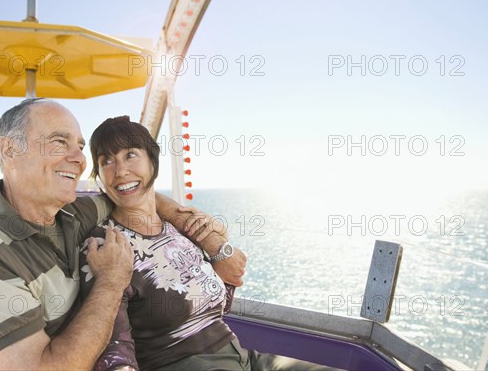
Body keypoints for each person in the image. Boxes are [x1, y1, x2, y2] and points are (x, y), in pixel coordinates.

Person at [0, 98, 245, 370]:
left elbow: (135, 191)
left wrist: (211, 240)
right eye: (59, 142)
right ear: (9, 150)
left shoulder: (71, 215)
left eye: (80, 147)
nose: (79, 159)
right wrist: (111, 281)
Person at [81, 116, 338, 371]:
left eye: (131, 155)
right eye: (107, 161)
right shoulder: (106, 247)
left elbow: (218, 303)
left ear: (153, 161)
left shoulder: (178, 229)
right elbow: (113, 350)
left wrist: (219, 249)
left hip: (243, 357)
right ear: (100, 175)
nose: (121, 171)